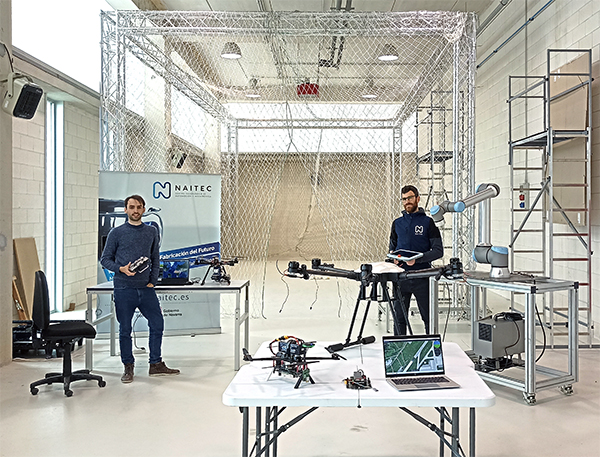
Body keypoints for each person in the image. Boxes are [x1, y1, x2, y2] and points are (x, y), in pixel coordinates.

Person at [100, 194, 180, 383]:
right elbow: (105, 259)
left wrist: (153, 281)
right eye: (132, 207)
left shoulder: (151, 232)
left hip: (146, 289)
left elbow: (155, 257)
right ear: (126, 210)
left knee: (157, 324)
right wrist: (121, 269)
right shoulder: (116, 233)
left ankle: (155, 364)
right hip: (123, 288)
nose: (135, 210)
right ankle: (128, 366)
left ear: (144, 209)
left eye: (139, 207)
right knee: (125, 329)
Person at [389, 185, 443, 335]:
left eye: (410, 198)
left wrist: (417, 260)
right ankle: (399, 351)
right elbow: (391, 249)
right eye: (404, 199)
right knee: (399, 318)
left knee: (428, 318)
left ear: (418, 199)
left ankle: (431, 351)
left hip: (422, 277)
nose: (407, 201)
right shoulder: (397, 224)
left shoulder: (428, 223)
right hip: (401, 278)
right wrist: (393, 259)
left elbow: (438, 251)